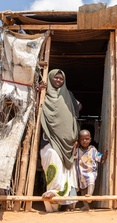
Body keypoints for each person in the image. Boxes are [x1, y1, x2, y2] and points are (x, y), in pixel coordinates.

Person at [40, 69, 81, 212]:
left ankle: (66, 203)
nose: (58, 80)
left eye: (61, 79)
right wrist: (38, 90)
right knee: (53, 159)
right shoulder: (43, 93)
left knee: (67, 172)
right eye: (56, 78)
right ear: (50, 78)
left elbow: (78, 107)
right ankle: (53, 198)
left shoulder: (68, 95)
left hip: (67, 142)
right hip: (50, 138)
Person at [74, 129, 108, 211]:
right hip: (81, 173)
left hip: (90, 172)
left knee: (91, 181)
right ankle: (86, 205)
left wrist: (105, 155)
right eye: (82, 139)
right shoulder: (78, 151)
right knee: (83, 190)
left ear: (90, 139)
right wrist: (74, 147)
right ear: (79, 140)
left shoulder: (93, 150)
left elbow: (99, 157)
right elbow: (73, 156)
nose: (84, 141)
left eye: (86, 139)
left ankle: (89, 195)